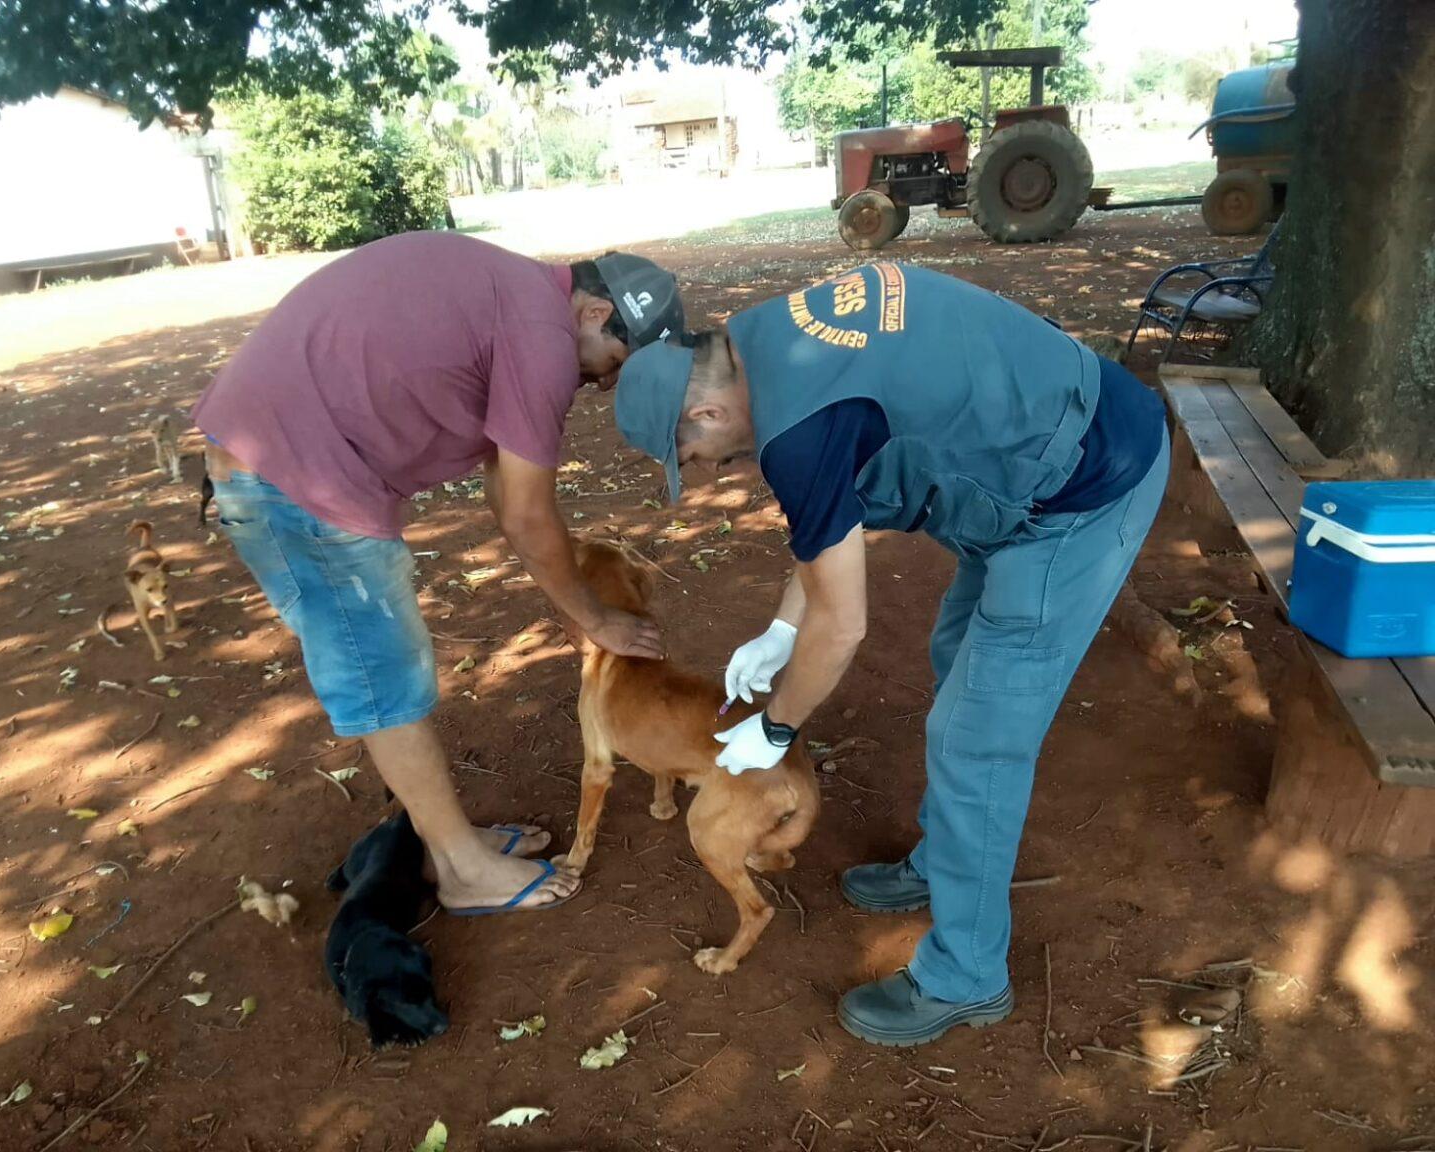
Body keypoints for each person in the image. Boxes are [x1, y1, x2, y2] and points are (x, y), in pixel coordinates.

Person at [612, 261, 1168, 1045]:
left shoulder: (795, 427)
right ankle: (945, 862)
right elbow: (832, 522)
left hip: (1085, 489)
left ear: (706, 410)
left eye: (697, 456)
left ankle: (967, 976)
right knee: (956, 651)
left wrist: (776, 726)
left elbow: (842, 626)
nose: (714, 471)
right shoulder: (768, 342)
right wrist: (781, 631)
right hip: (1029, 453)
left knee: (976, 738)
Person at [194, 233, 684, 916]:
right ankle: (461, 870)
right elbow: (526, 516)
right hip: (293, 474)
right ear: (597, 313)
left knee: (388, 663)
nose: (604, 383)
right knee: (383, 672)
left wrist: (570, 604)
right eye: (617, 364)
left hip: (276, 451)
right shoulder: (543, 339)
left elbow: (506, 492)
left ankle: (446, 841)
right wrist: (596, 618)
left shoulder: (518, 301)